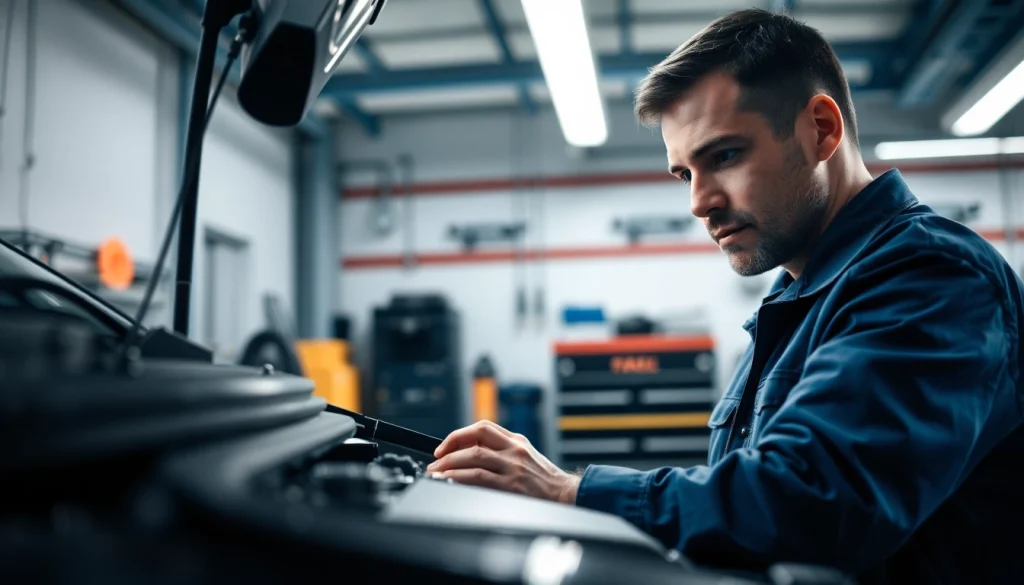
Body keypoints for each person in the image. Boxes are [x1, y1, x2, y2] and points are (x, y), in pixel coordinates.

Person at [426, 8, 1024, 584]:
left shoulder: (930, 275)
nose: (699, 202)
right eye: (686, 174)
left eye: (726, 156)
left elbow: (808, 501)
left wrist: (570, 490)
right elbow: (750, 493)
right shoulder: (798, 296)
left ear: (821, 130)